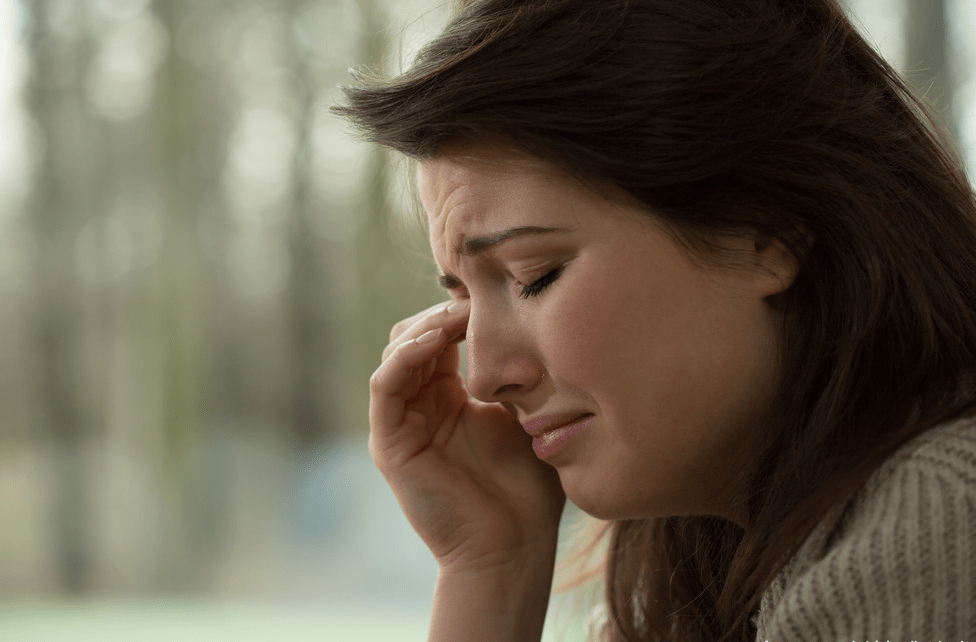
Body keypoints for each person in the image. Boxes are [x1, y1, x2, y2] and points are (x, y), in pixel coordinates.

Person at [333, 0, 976, 639]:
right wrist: (491, 565)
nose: (484, 378)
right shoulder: (704, 567)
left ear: (766, 233)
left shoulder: (931, 524)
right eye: (464, 302)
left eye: (535, 276)